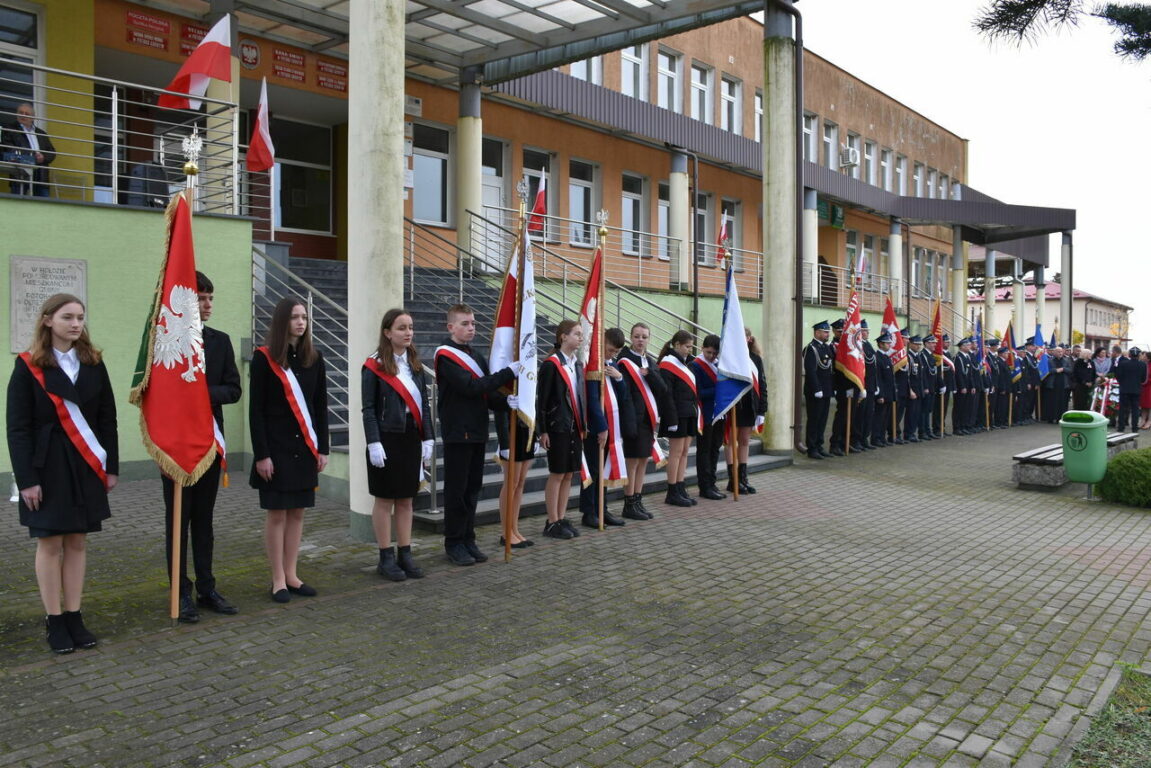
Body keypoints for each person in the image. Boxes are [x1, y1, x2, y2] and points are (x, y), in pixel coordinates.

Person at [7, 294, 118, 653]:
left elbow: (107, 418)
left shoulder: (93, 363)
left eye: (80, 317)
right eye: (67, 317)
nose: (75, 324)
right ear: (47, 321)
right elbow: (17, 428)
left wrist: (110, 467)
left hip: (85, 464)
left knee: (78, 541)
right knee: (50, 542)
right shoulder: (28, 366)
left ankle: (74, 614)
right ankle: (54, 620)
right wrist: (26, 480)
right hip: (46, 465)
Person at [163, 272, 242, 623]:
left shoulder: (220, 342)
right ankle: (180, 590)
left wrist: (201, 395)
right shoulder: (164, 340)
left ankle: (206, 587)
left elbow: (233, 389)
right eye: (201, 298)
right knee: (178, 520)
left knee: (204, 521)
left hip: (209, 443)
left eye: (211, 298)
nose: (208, 304)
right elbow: (156, 393)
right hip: (175, 446)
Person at [250, 297, 330, 602]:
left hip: (305, 448)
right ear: (282, 321)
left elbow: (320, 407)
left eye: (304, 318)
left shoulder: (315, 358)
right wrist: (262, 454)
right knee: (277, 515)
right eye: (295, 317)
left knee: (298, 512)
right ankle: (278, 579)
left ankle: (293, 574)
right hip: (276, 448)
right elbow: (255, 411)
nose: (301, 322)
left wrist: (322, 447)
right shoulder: (263, 358)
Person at [435, 304, 516, 565]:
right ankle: (454, 542)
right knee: (456, 491)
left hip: (478, 431)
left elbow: (487, 394)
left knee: (472, 489)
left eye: (473, 323)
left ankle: (468, 539)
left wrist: (506, 402)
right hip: (458, 432)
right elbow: (470, 387)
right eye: (465, 324)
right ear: (451, 327)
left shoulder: (477, 356)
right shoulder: (446, 356)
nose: (471, 328)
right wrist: (507, 373)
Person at [361, 308, 433, 581]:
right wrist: (373, 442)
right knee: (384, 499)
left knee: (406, 499)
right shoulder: (373, 365)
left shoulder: (415, 363)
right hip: (386, 437)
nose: (408, 333)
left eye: (410, 327)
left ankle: (406, 553)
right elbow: (368, 408)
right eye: (402, 328)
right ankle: (385, 557)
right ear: (387, 332)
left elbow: (424, 404)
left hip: (410, 437)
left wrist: (428, 436)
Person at [617, 322, 673, 519]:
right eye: (637, 336)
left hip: (648, 418)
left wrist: (650, 375)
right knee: (632, 461)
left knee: (643, 460)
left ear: (649, 339)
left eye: (644, 337)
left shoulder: (649, 361)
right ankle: (628, 502)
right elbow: (623, 393)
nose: (640, 340)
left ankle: (637, 500)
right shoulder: (624, 360)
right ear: (631, 338)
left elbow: (663, 389)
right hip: (633, 418)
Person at [579, 328, 634, 527]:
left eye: (616, 352)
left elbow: (623, 396)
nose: (612, 355)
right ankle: (589, 511)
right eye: (610, 350)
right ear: (602, 342)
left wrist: (619, 377)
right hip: (596, 427)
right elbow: (592, 400)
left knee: (604, 469)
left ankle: (602, 508)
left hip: (612, 426)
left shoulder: (612, 364)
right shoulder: (592, 364)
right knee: (593, 469)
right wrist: (601, 427)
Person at [537, 320, 586, 539]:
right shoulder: (551, 364)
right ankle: (551, 520)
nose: (580, 338)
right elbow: (543, 401)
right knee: (557, 473)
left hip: (574, 426)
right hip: (557, 426)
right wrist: (543, 430)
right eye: (576, 333)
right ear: (563, 337)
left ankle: (561, 516)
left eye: (581, 334)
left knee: (568, 474)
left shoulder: (576, 363)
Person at [658, 330, 699, 506]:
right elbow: (667, 395)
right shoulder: (667, 364)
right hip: (676, 415)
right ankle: (672, 490)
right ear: (676, 345)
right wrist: (672, 419)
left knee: (684, 452)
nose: (689, 350)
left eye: (691, 347)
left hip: (689, 412)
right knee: (675, 453)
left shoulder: (686, 363)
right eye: (687, 346)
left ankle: (680, 486)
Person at [495, 385, 535, 548]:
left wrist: (536, 431)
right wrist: (504, 442)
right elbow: (500, 408)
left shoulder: (527, 371)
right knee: (511, 482)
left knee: (520, 483)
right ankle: (506, 533)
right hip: (511, 429)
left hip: (526, 426)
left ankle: (514, 528)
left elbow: (531, 401)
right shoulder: (504, 371)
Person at [728, 327, 767, 490]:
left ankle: (743, 478)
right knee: (731, 442)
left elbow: (762, 385)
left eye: (743, 336)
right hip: (734, 406)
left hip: (750, 407)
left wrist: (762, 410)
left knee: (744, 442)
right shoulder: (730, 357)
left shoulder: (755, 359)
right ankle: (733, 480)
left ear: (749, 339)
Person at [692, 334, 726, 500]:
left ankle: (712, 482)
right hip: (704, 415)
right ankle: (704, 486)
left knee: (714, 450)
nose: (712, 356)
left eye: (715, 353)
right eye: (709, 352)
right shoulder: (696, 366)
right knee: (704, 451)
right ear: (702, 348)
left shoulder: (719, 365)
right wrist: (719, 389)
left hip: (719, 414)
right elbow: (698, 392)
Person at [2, 102, 56, 196]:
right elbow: (7, 148)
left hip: (40, 175)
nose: (23, 115)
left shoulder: (41, 133)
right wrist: (31, 156)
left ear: (33, 117)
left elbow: (52, 152)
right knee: (18, 205)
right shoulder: (9, 129)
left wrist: (43, 157)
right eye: (21, 112)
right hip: (20, 174)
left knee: (42, 206)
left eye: (27, 114)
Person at [803, 320, 834, 458]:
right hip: (815, 391)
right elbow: (810, 370)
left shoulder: (826, 347)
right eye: (825, 332)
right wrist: (816, 388)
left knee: (823, 420)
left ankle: (819, 445)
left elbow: (830, 370)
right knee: (814, 419)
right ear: (817, 332)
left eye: (828, 332)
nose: (828, 334)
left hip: (826, 390)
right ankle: (812, 447)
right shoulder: (811, 348)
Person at [850, 320, 876, 452]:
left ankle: (864, 438)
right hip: (862, 386)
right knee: (859, 415)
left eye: (867, 331)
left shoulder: (868, 345)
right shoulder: (858, 346)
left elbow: (873, 367)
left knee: (868, 414)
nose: (867, 333)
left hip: (870, 387)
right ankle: (856, 440)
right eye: (864, 330)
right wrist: (862, 387)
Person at [1114, 347, 1147, 432]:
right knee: (1135, 409)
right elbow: (1143, 379)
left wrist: (1123, 383)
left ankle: (1121, 427)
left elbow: (1118, 376)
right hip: (1136, 389)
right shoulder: (1143, 365)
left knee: (1122, 409)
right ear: (1139, 355)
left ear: (1129, 355)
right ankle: (1134, 428)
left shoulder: (1123, 363)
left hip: (1124, 388)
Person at [872, 332, 895, 447]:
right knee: (879, 417)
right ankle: (875, 438)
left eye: (890, 343)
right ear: (880, 344)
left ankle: (882, 437)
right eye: (887, 343)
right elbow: (878, 378)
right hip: (882, 393)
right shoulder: (877, 357)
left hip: (889, 393)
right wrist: (880, 394)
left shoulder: (886, 357)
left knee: (886, 417)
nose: (889, 345)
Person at [1140, 350, 1151, 429]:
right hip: (1144, 387)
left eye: (1145, 356)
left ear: (1148, 358)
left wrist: (1146, 381)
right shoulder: (1144, 365)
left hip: (1150, 387)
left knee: (1149, 405)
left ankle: (1149, 421)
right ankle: (1143, 420)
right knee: (1144, 405)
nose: (1143, 357)